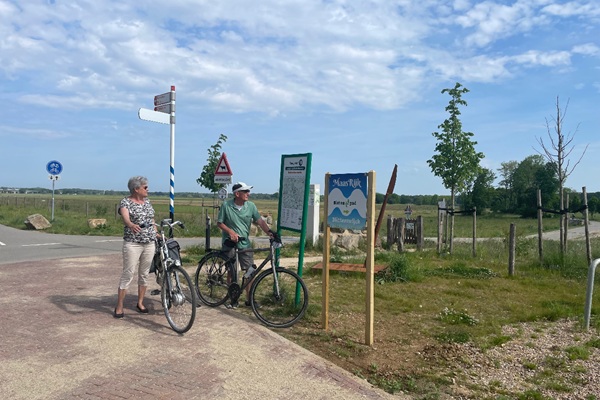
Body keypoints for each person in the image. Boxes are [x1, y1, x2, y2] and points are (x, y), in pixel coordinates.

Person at [217, 182, 273, 307]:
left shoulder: (251, 206)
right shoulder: (226, 205)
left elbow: (260, 222)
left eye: (248, 191)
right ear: (237, 194)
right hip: (229, 243)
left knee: (250, 271)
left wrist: (270, 233)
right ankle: (232, 298)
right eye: (246, 191)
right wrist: (230, 232)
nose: (248, 194)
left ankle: (249, 299)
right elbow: (219, 223)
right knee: (232, 271)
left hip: (244, 243)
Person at [114, 176, 156, 318]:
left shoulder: (147, 202)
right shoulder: (126, 202)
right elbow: (125, 216)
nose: (147, 189)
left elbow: (151, 219)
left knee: (144, 274)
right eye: (145, 187)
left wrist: (157, 234)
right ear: (136, 189)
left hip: (149, 242)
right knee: (128, 273)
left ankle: (140, 302)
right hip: (133, 243)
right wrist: (130, 224)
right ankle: (119, 306)